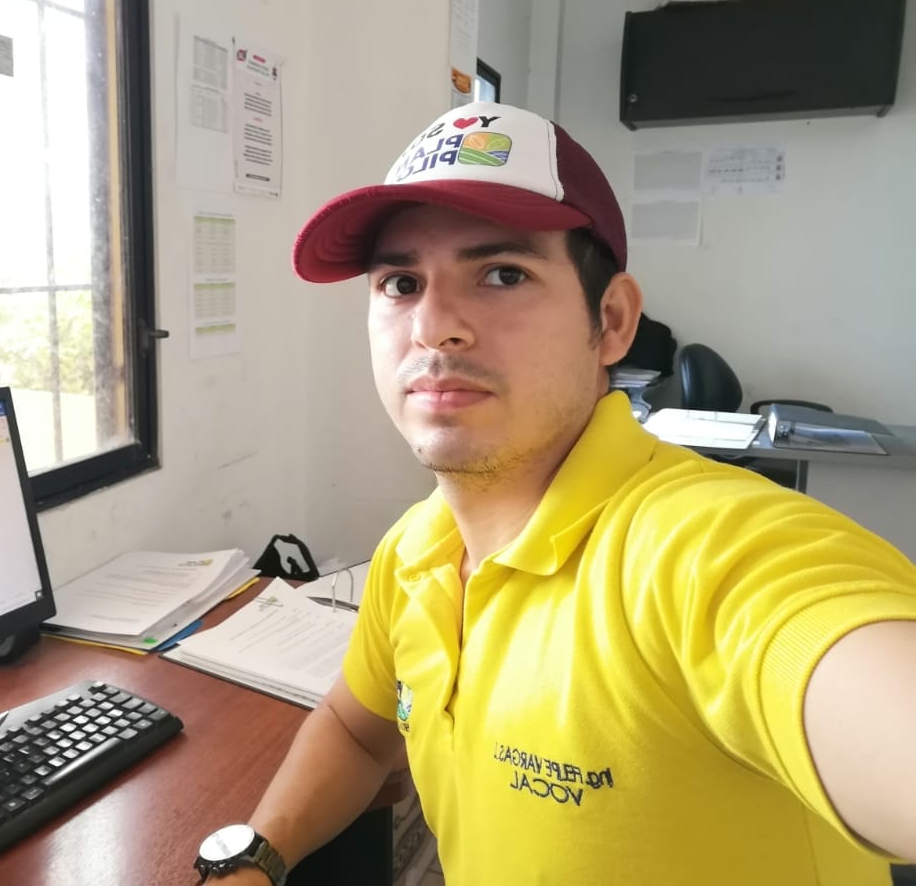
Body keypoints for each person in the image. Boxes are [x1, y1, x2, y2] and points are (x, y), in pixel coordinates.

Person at [190, 99, 916, 886]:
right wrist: (257, 857)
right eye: (401, 283)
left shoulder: (708, 550)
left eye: (504, 274)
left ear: (611, 321)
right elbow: (357, 730)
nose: (434, 327)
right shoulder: (414, 552)